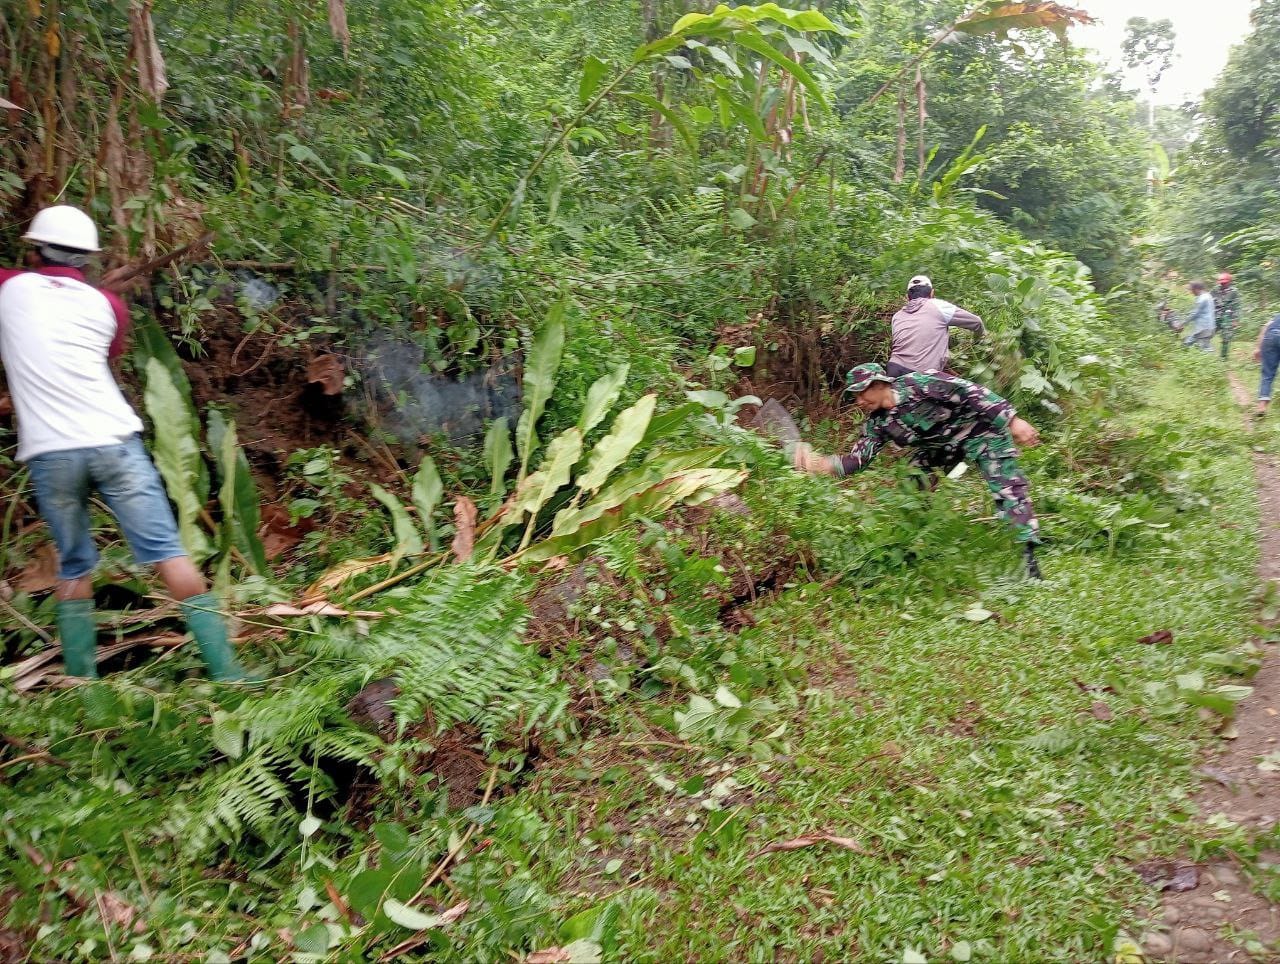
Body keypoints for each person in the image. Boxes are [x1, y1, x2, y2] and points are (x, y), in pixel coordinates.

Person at [0, 205, 251, 681]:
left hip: (51, 453)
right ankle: (227, 674)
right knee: (168, 552)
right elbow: (99, 350)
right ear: (88, 259)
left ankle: (83, 685)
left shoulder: (8, 287)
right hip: (113, 440)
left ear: (34, 250)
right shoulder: (108, 307)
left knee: (73, 565)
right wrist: (101, 292)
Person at [792, 362, 1045, 579]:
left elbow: (971, 392)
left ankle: (1027, 558)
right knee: (913, 484)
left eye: (862, 393)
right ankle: (918, 546)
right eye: (855, 397)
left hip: (981, 431)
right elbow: (858, 460)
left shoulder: (920, 384)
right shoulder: (878, 424)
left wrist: (1012, 421)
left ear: (879, 384)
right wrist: (822, 464)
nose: (859, 402)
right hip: (941, 447)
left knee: (1007, 487)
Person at [887, 275, 985, 377]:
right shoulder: (939, 306)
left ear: (907, 297)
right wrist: (977, 341)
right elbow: (977, 322)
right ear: (932, 293)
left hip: (893, 369)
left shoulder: (897, 316)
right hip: (921, 376)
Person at [1252, 312, 1280, 420]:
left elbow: (1265, 327)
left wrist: (1257, 348)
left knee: (1267, 374)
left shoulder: (1277, 316)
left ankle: (1262, 406)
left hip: (1270, 337)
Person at [1181, 281, 1216, 352]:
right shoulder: (1208, 296)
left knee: (1205, 350)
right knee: (1187, 342)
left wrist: (1183, 323)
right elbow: (1197, 311)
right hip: (1208, 327)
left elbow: (1195, 313)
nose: (1191, 292)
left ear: (1196, 289)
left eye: (1191, 290)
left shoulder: (1203, 298)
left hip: (1204, 328)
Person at [1214, 272, 1241, 361]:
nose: (1223, 284)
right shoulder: (1215, 289)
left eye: (1225, 283)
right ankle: (1203, 351)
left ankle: (1223, 357)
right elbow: (1210, 301)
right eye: (1221, 282)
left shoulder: (1234, 291)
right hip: (1216, 315)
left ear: (1229, 282)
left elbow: (1237, 306)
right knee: (1208, 333)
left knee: (1226, 337)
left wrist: (1235, 320)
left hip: (1227, 317)